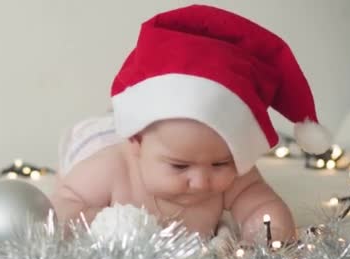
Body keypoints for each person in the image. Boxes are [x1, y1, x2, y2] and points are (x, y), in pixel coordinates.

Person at [50, 4, 331, 243]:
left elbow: (261, 203)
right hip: (101, 139)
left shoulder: (231, 171)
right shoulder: (112, 169)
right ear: (137, 141)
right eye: (180, 166)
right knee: (87, 146)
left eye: (220, 164)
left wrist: (269, 230)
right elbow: (62, 204)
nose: (201, 182)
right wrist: (97, 222)